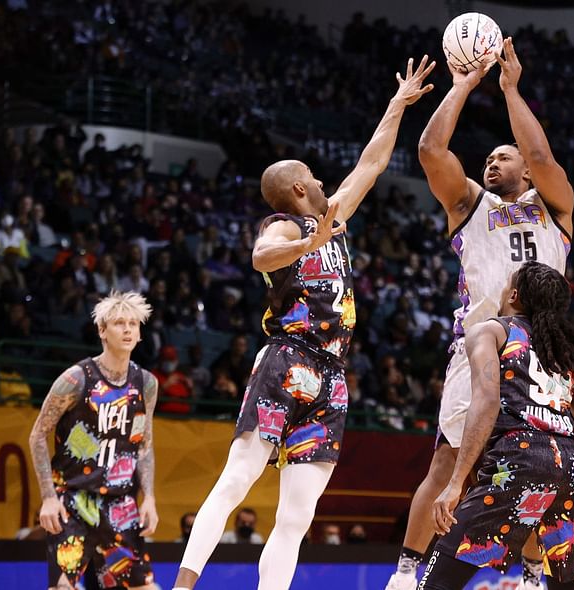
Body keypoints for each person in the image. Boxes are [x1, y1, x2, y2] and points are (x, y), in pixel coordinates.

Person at [171, 55, 434, 590]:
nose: (320, 180)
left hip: (333, 376)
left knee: (297, 515)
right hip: (288, 358)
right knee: (237, 478)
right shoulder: (283, 225)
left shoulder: (332, 217)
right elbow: (260, 258)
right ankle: (183, 584)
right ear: (297, 190)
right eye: (312, 178)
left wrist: (396, 104)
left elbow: (371, 164)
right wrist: (302, 244)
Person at [388, 38, 574, 590]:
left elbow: (541, 158)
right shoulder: (470, 204)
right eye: (488, 158)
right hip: (480, 345)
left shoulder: (556, 206)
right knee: (448, 463)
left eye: (502, 155)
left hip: (543, 349)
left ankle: (536, 571)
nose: (492, 161)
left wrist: (511, 89)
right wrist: (464, 83)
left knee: (543, 461)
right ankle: (404, 571)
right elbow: (429, 150)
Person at [422, 261, 574, 590]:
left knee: (437, 583)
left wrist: (456, 483)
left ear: (513, 294)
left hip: (520, 456)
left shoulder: (492, 331)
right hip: (572, 467)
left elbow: (486, 403)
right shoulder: (569, 358)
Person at [27, 291, 159, 590]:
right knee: (63, 586)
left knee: (143, 586)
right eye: (119, 323)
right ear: (102, 331)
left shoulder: (146, 383)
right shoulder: (76, 378)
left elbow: (144, 445)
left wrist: (149, 497)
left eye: (133, 324)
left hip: (120, 503)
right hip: (72, 499)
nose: (127, 330)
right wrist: (49, 496)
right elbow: (37, 436)